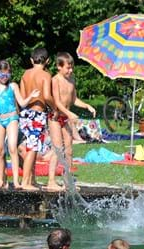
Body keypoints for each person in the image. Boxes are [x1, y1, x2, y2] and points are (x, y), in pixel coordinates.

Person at [0, 60, 40, 189]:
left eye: (8, 74)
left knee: (12, 148)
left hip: (12, 118)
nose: (5, 77)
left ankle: (16, 181)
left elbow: (22, 103)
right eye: (3, 74)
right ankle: (0, 181)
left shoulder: (13, 86)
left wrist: (31, 96)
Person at [45, 52, 96, 191]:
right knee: (57, 149)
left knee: (69, 150)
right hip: (55, 117)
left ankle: (68, 181)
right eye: (68, 68)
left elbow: (73, 100)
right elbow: (56, 102)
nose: (71, 70)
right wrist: (69, 113)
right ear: (58, 67)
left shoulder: (72, 79)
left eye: (72, 67)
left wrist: (87, 106)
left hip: (66, 116)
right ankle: (51, 181)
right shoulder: (55, 80)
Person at [19, 48, 53, 190]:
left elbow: (21, 96)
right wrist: (54, 106)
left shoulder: (25, 74)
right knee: (33, 149)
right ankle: (25, 182)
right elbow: (46, 96)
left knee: (29, 147)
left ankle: (32, 179)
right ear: (48, 61)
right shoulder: (46, 75)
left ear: (32, 60)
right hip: (37, 114)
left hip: (25, 113)